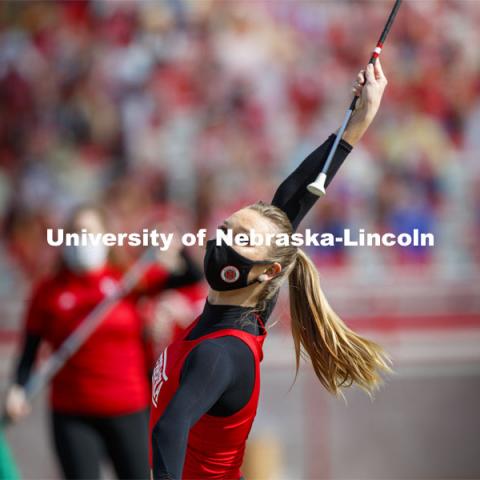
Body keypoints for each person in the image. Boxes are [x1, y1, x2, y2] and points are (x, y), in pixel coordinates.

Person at [149, 61, 391, 480]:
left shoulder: (220, 352)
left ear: (267, 270)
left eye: (241, 240)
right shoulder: (245, 309)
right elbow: (291, 200)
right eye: (225, 230)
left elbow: (169, 430)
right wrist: (356, 123)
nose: (223, 241)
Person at [5, 205, 203, 480]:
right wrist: (18, 388)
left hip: (129, 408)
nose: (81, 240)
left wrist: (176, 248)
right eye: (74, 234)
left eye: (89, 233)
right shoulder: (48, 290)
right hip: (72, 412)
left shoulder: (128, 279)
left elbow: (191, 277)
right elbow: (29, 352)